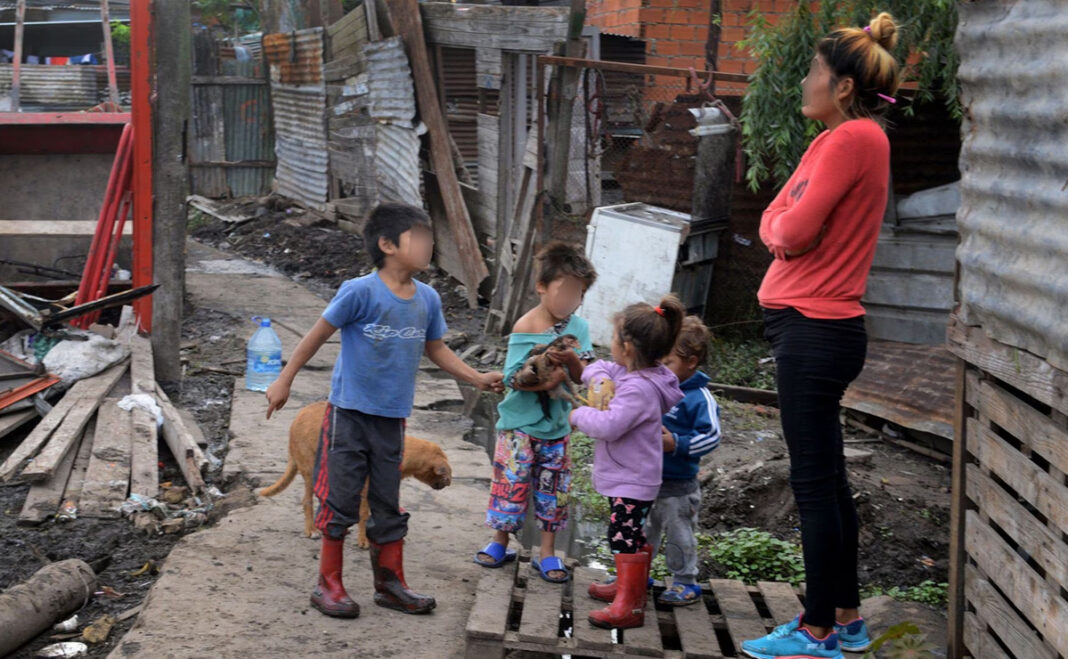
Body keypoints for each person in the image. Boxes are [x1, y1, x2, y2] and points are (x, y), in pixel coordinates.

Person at [740, 13, 901, 659]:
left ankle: (816, 630)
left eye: (813, 72)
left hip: (814, 329)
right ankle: (847, 618)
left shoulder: (847, 141)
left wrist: (777, 230)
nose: (804, 81)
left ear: (840, 86)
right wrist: (776, 222)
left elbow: (788, 227)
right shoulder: (841, 137)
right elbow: (775, 211)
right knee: (828, 480)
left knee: (812, 483)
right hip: (818, 329)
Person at [264, 202, 504, 619]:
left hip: (391, 420)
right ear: (388, 245)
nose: (430, 244)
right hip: (349, 416)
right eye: (420, 237)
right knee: (340, 500)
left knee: (386, 503)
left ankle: (390, 583)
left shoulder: (427, 298)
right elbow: (317, 335)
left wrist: (476, 378)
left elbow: (436, 349)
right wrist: (285, 379)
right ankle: (329, 584)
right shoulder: (359, 291)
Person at [474, 242, 597, 584]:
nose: (571, 300)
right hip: (518, 426)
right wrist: (543, 381)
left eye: (579, 293)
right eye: (565, 291)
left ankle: (547, 553)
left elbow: (582, 375)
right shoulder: (526, 326)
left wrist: (569, 363)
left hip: (556, 428)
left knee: (553, 491)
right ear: (542, 287)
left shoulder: (579, 328)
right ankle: (500, 541)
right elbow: (514, 378)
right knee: (510, 485)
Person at [569, 295, 686, 629]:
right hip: (631, 474)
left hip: (633, 478)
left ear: (629, 346)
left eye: (615, 339)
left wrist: (578, 414)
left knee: (622, 535)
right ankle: (626, 589)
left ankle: (629, 606)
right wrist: (596, 377)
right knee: (628, 533)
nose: (611, 346)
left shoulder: (638, 389)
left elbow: (609, 425)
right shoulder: (640, 373)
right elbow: (603, 367)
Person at [647, 316, 720, 606]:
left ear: (691, 362)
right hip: (647, 480)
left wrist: (675, 443)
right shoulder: (655, 388)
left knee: (680, 534)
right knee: (642, 532)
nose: (661, 370)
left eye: (668, 364)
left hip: (679, 486)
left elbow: (711, 436)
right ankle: (636, 575)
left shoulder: (700, 398)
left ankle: (685, 581)